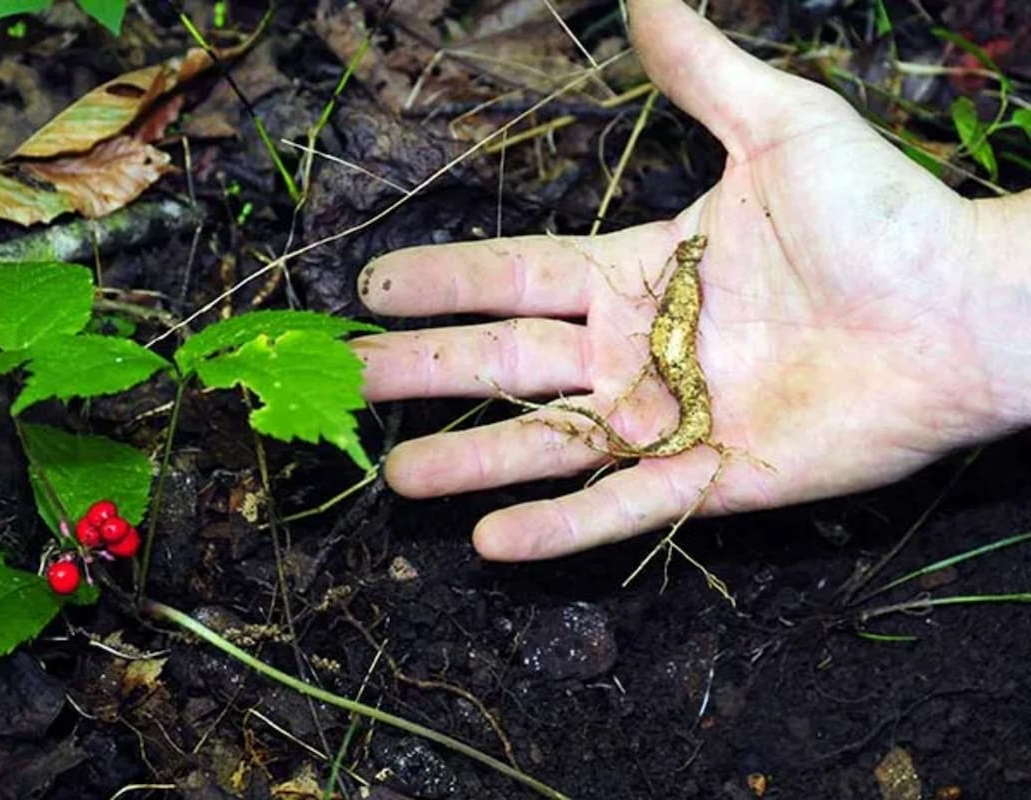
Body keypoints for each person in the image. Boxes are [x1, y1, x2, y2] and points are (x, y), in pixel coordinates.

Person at [350, 0, 1031, 562]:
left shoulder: (691, 289)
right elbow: (673, 335)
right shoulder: (680, 296)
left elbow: (675, 335)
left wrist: (965, 283)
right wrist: (973, 286)